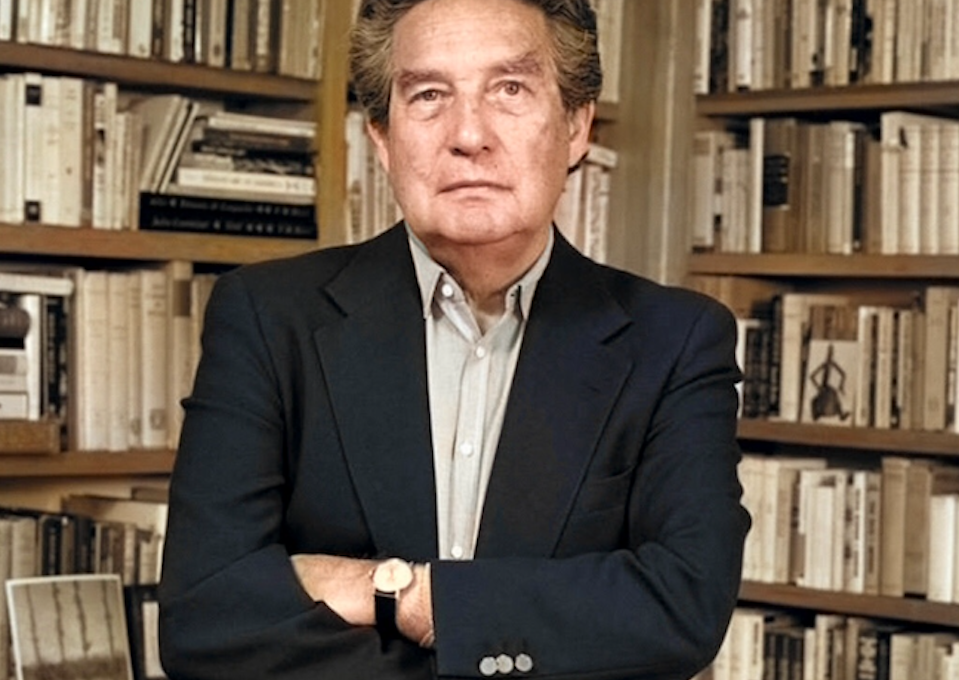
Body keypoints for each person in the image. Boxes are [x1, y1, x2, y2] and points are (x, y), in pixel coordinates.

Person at [157, 0, 750, 678]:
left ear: (576, 126)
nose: (469, 135)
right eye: (429, 95)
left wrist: (397, 593)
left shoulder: (676, 340)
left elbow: (680, 608)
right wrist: (516, 629)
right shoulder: (267, 318)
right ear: (382, 138)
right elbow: (202, 622)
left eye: (510, 89)